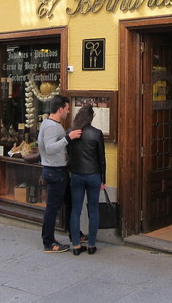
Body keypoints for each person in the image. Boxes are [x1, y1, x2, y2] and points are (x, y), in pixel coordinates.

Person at [39, 94, 82, 253]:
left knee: (69, 203)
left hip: (58, 171)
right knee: (52, 208)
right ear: (60, 109)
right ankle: (48, 242)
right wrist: (68, 138)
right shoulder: (51, 126)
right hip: (55, 171)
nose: (68, 111)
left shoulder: (50, 123)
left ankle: (74, 234)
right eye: (67, 108)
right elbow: (50, 148)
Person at [67, 105, 106, 255]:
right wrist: (103, 179)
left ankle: (76, 245)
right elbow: (101, 158)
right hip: (93, 175)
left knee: (75, 210)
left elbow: (69, 153)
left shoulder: (71, 132)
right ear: (91, 117)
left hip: (76, 175)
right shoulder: (96, 133)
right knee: (93, 210)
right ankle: (91, 245)